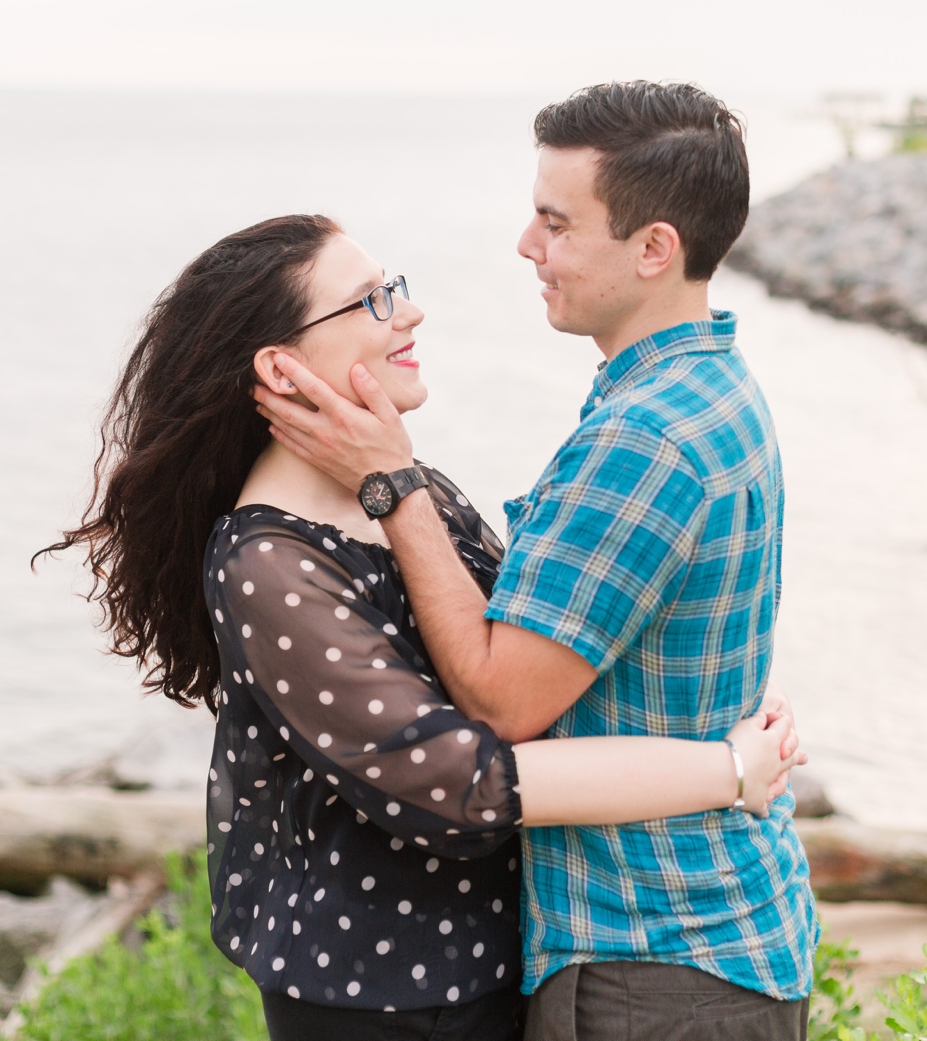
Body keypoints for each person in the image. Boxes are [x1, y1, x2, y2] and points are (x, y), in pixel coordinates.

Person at [47, 212, 803, 1041]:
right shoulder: (266, 561)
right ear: (281, 365)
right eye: (370, 302)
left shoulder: (406, 488)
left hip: (502, 961)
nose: (408, 313)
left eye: (394, 289)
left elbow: (519, 654)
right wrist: (726, 768)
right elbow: (461, 782)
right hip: (380, 996)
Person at [257, 82, 817, 1040]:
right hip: (707, 934)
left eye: (556, 224)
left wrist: (391, 481)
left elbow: (501, 704)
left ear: (654, 249)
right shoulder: (711, 388)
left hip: (648, 956)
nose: (528, 246)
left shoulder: (645, 439)